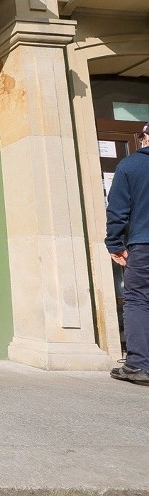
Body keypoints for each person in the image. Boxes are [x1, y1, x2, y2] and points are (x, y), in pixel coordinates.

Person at [105, 122, 149, 387]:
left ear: (145, 138)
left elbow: (118, 210)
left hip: (143, 244)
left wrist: (114, 243)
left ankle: (139, 365)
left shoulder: (131, 166)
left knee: (138, 299)